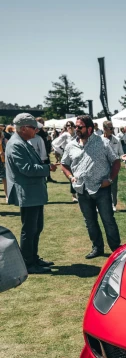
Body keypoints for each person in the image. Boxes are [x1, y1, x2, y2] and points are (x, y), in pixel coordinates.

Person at [61, 115, 121, 259]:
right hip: (82, 189)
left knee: (108, 219)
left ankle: (117, 249)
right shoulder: (71, 145)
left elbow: (116, 161)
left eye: (79, 127)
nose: (76, 129)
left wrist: (110, 179)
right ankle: (97, 248)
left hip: (101, 188)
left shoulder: (103, 142)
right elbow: (64, 164)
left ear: (89, 128)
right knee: (90, 221)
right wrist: (71, 177)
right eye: (76, 127)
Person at [4, 113, 57, 273]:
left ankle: (33, 258)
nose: (36, 131)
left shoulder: (22, 142)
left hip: (32, 192)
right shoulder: (16, 144)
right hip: (28, 192)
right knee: (30, 229)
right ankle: (28, 263)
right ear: (24, 128)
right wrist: (47, 168)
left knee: (36, 227)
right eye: (34, 128)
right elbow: (26, 169)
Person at [102, 120, 124, 210]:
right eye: (110, 128)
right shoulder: (99, 140)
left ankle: (113, 204)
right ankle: (101, 205)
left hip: (113, 166)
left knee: (113, 186)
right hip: (101, 166)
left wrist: (123, 157)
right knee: (102, 186)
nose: (112, 130)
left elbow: (121, 153)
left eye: (113, 128)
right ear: (104, 129)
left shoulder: (117, 140)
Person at [0, 125, 8, 202]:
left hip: (3, 162)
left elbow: (9, 150)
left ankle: (7, 196)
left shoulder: (4, 140)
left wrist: (5, 153)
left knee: (5, 179)